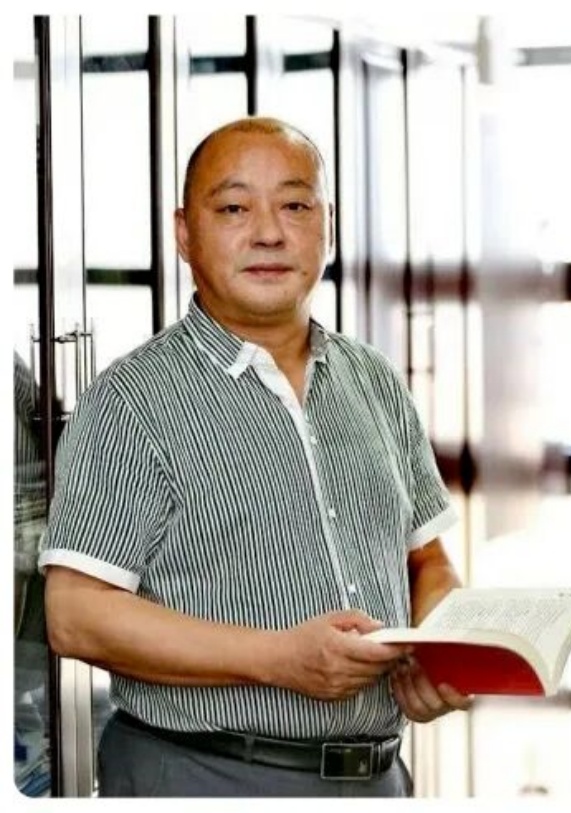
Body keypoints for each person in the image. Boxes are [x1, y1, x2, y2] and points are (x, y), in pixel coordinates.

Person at [39, 116, 472, 798]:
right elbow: (74, 613)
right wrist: (277, 659)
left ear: (327, 225)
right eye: (234, 208)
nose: (269, 233)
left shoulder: (373, 379)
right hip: (201, 773)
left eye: (295, 205)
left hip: (378, 778)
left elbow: (428, 560)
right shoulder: (133, 399)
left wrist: (439, 652)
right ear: (185, 233)